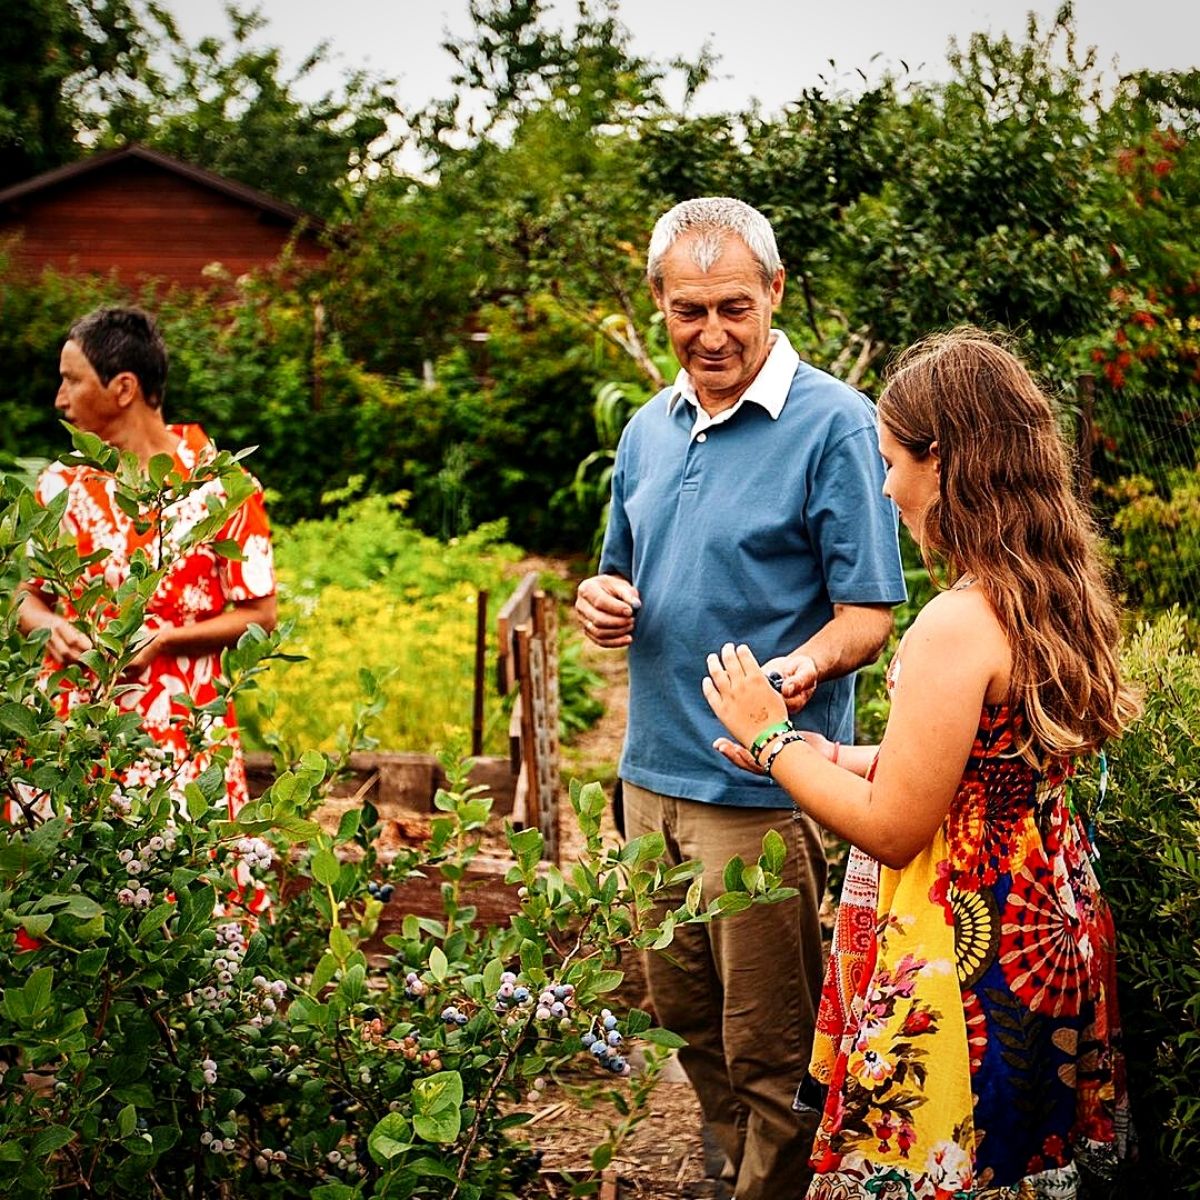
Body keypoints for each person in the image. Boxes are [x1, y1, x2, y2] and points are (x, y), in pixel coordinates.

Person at [703, 328, 1138, 1198]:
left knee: (952, 1167)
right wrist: (843, 754)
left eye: (893, 459)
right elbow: (987, 762)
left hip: (960, 961)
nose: (886, 483)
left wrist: (770, 740)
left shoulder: (956, 622)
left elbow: (900, 830)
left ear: (945, 463)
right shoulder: (1052, 588)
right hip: (1043, 929)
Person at [576, 197, 907, 1200]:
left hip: (760, 789)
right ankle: (744, 1178)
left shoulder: (835, 425)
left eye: (732, 306)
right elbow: (617, 576)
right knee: (686, 1022)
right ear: (658, 306)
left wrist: (801, 671)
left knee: (770, 1050)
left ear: (774, 291)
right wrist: (599, 603)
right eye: (688, 311)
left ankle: (776, 1182)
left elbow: (868, 614)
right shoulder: (647, 427)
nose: (711, 333)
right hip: (649, 780)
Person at [14, 306, 277, 836]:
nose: (59, 398)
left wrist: (164, 640)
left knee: (182, 896)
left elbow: (261, 617)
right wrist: (49, 627)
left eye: (71, 380)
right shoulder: (59, 486)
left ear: (124, 388)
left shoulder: (221, 487)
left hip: (181, 736)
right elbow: (27, 598)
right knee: (65, 893)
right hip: (72, 730)